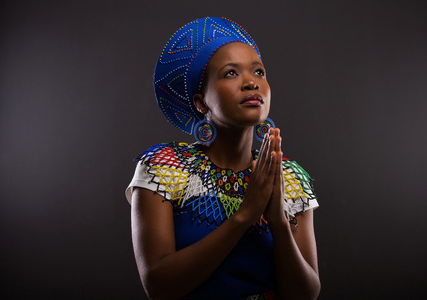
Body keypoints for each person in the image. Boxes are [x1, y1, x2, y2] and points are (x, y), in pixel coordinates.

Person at [126, 17, 320, 300]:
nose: (251, 83)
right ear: (201, 102)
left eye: (259, 72)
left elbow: (305, 295)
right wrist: (245, 215)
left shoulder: (288, 178)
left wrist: (277, 220)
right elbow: (158, 286)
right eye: (231, 73)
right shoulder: (164, 167)